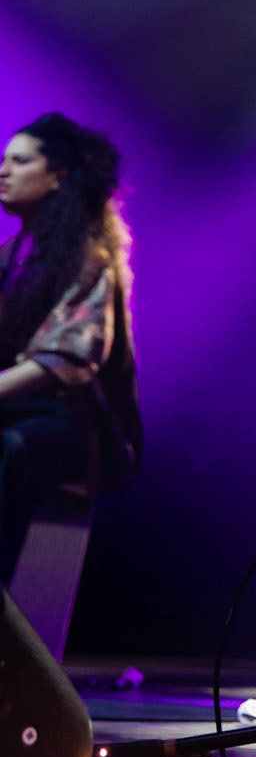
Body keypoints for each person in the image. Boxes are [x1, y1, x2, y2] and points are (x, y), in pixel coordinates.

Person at [0, 114, 142, 583]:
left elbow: (66, 358)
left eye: (19, 161)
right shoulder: (12, 255)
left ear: (57, 174)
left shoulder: (89, 259)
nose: (3, 170)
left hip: (80, 425)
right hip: (19, 408)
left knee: (11, 448)